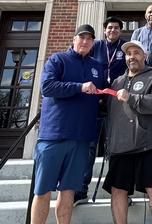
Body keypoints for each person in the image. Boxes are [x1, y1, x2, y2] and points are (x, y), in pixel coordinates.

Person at [31, 24, 105, 224]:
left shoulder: (96, 67)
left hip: (82, 138)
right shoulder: (58, 59)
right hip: (53, 136)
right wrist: (79, 87)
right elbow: (46, 87)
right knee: (42, 190)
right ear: (74, 39)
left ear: (93, 43)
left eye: (89, 39)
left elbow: (103, 95)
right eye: (82, 37)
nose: (85, 42)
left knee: (69, 191)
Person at [103, 39, 152, 224]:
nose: (132, 57)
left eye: (136, 53)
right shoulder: (117, 82)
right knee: (117, 190)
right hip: (120, 147)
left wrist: (131, 98)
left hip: (150, 145)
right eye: (128, 53)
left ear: (144, 56)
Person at [75, 16, 127, 205]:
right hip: (94, 102)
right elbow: (77, 57)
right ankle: (81, 190)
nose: (113, 30)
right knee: (89, 146)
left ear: (121, 31)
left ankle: (120, 192)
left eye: (116, 28)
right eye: (110, 28)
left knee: (117, 147)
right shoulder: (95, 45)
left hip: (117, 102)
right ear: (104, 30)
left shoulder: (124, 47)